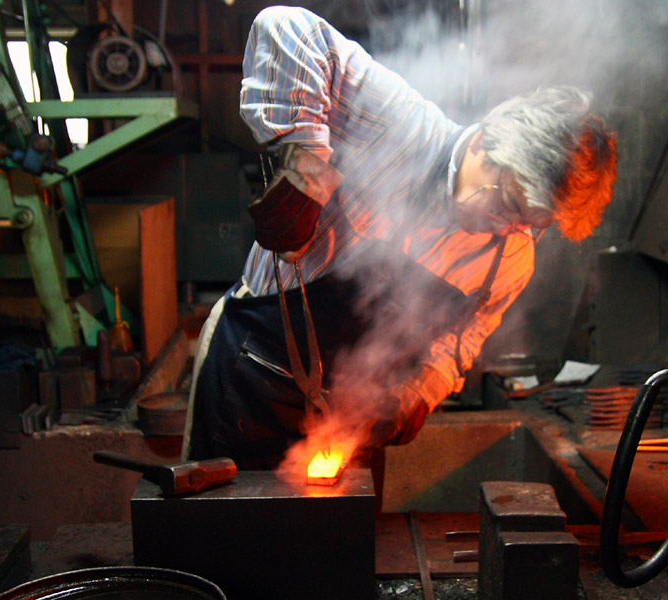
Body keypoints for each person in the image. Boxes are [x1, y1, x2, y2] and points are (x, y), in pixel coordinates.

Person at [181, 6, 618, 471]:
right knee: (225, 514)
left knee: (340, 518)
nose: (506, 228)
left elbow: (462, 339)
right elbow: (285, 28)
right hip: (250, 376)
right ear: (485, 143)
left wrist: (417, 395)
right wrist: (304, 162)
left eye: (528, 222)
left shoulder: (509, 258)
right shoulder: (400, 125)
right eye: (508, 203)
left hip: (348, 425)